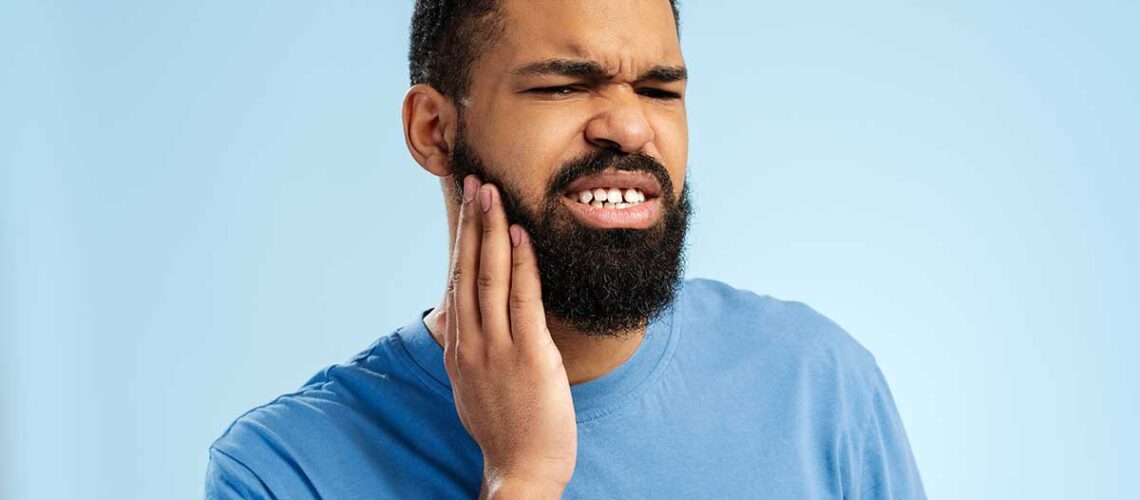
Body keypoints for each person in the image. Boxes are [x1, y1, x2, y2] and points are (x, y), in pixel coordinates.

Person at [205, 0, 927, 498]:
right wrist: (520, 480)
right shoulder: (284, 468)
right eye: (562, 86)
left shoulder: (819, 382)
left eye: (659, 90)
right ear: (434, 130)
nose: (630, 128)